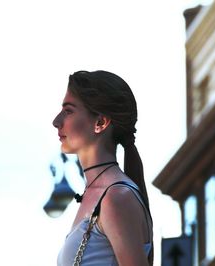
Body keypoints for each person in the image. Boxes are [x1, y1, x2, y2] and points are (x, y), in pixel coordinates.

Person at [54, 70, 153, 266]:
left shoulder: (116, 197)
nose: (56, 121)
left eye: (68, 111)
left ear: (100, 122)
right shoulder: (102, 195)